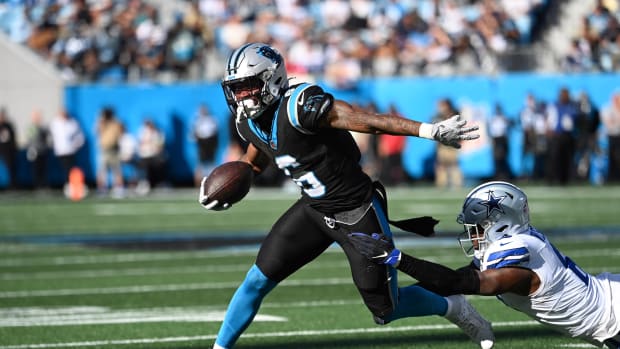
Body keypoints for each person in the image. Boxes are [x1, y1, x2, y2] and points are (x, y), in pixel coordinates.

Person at [199, 42, 493, 349]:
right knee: (256, 280)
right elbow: (253, 161)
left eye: (247, 86)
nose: (241, 96)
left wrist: (428, 131)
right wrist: (225, 189)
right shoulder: (247, 122)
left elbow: (364, 120)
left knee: (385, 310)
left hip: (357, 213)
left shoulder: (300, 105)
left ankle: (454, 307)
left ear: (271, 79)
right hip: (313, 210)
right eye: (235, 89)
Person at [347, 181, 620, 349]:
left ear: (499, 225)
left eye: (477, 228)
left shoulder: (516, 257)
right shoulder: (517, 243)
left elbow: (460, 283)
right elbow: (453, 279)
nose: (472, 235)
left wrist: (397, 258)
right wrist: (394, 300)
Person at [95, 107, 124, 197]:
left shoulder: (116, 123)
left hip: (114, 149)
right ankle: (102, 189)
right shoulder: (101, 123)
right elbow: (97, 131)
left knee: (117, 171)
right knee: (102, 171)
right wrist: (102, 121)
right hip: (104, 150)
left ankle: (119, 189)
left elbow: (120, 133)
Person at [191, 103, 219, 186]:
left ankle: (212, 181)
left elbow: (214, 133)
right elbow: (194, 135)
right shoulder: (197, 121)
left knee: (211, 164)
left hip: (210, 144)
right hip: (201, 144)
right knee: (201, 165)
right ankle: (199, 183)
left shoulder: (212, 120)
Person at [25, 109, 52, 189]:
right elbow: (30, 140)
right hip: (35, 152)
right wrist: (31, 150)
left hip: (43, 151)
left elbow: (48, 136)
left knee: (44, 169)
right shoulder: (32, 127)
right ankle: (38, 185)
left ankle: (44, 184)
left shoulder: (43, 127)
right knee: (36, 169)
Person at [0, 107, 18, 189]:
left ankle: (12, 185)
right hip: (2, 150)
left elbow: (13, 138)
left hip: (8, 151)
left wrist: (14, 148)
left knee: (11, 168)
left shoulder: (8, 126)